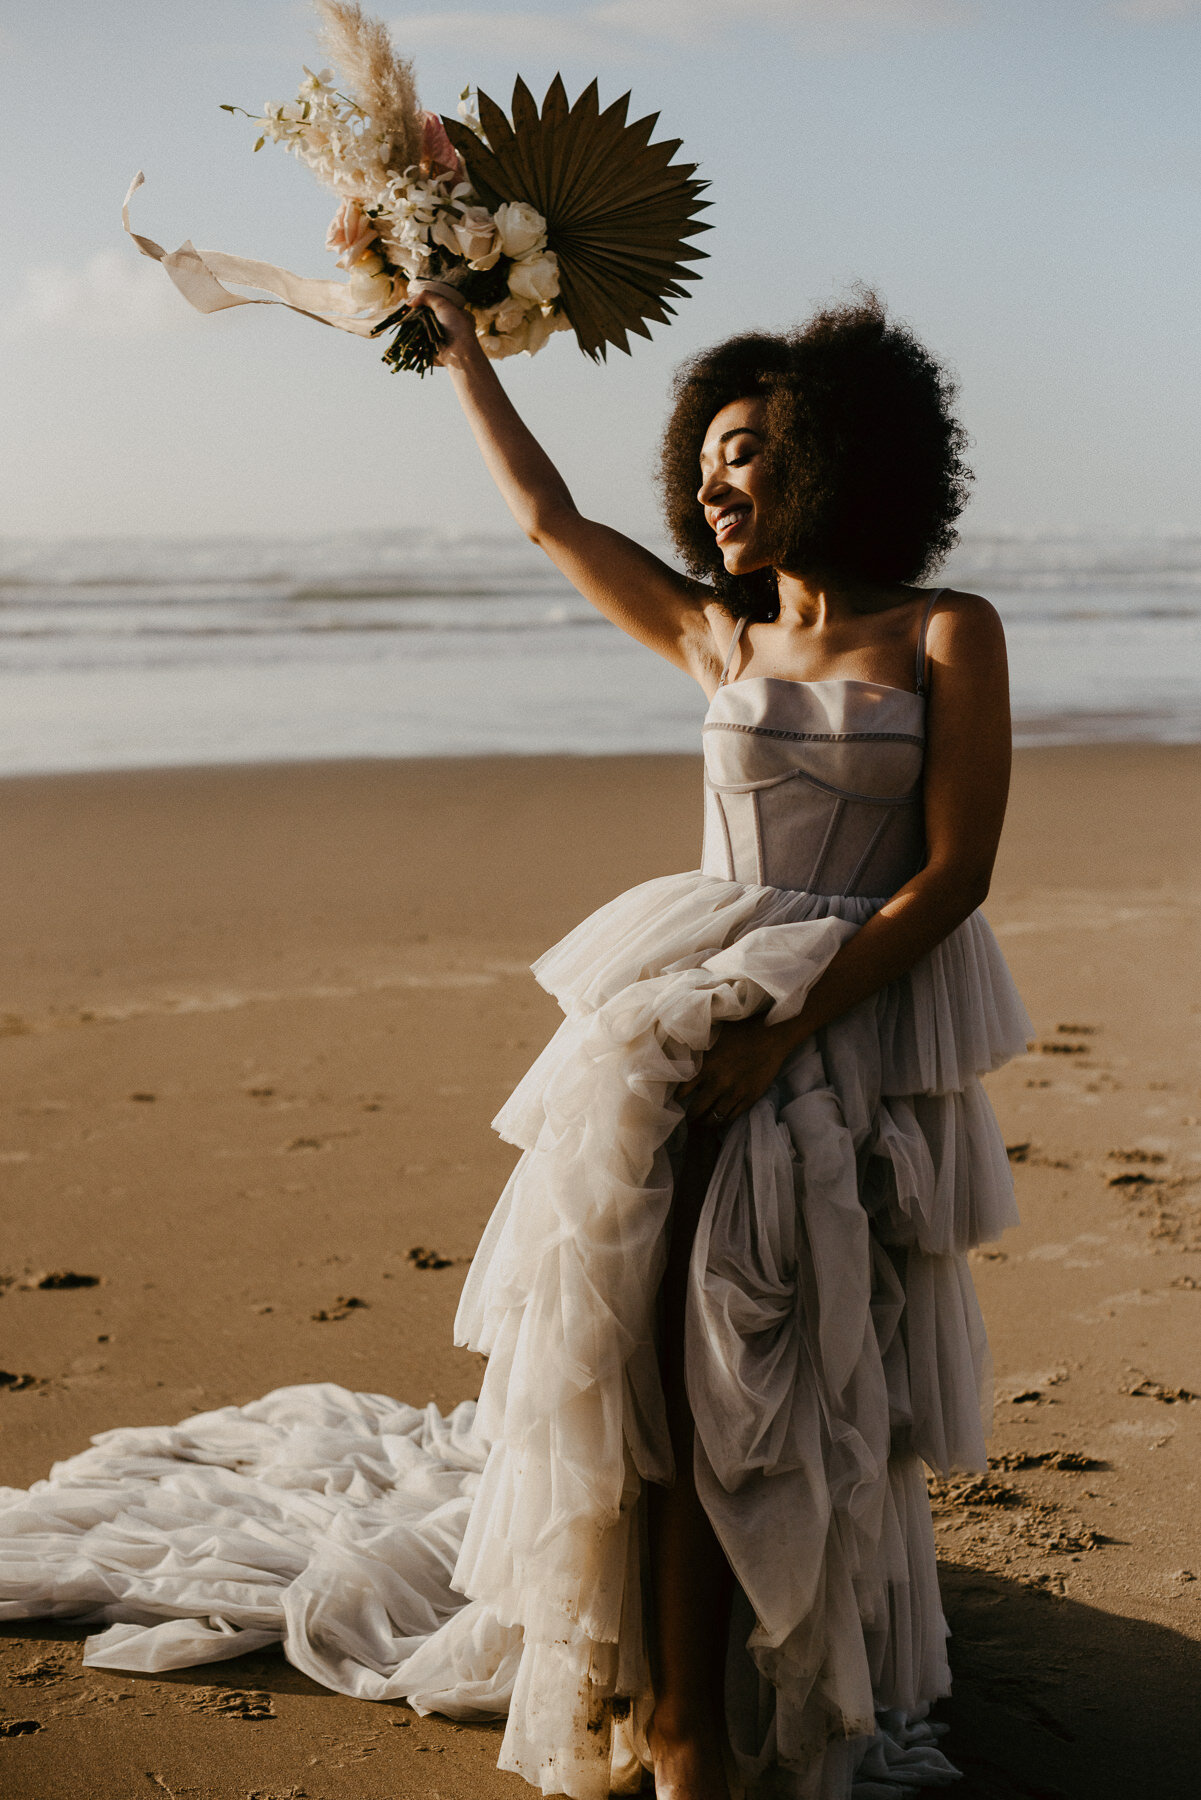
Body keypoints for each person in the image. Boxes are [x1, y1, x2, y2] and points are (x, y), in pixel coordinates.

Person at [0, 293, 1031, 1800]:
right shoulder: (713, 631)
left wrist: (794, 1024)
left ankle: (754, 1673)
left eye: (748, 455)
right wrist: (459, 346)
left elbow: (954, 875)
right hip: (685, 1014)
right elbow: (550, 515)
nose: (712, 488)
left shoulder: (948, 630)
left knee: (786, 1374)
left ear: (839, 456)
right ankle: (675, 1717)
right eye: (705, 461)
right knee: (662, 1362)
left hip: (847, 1026)